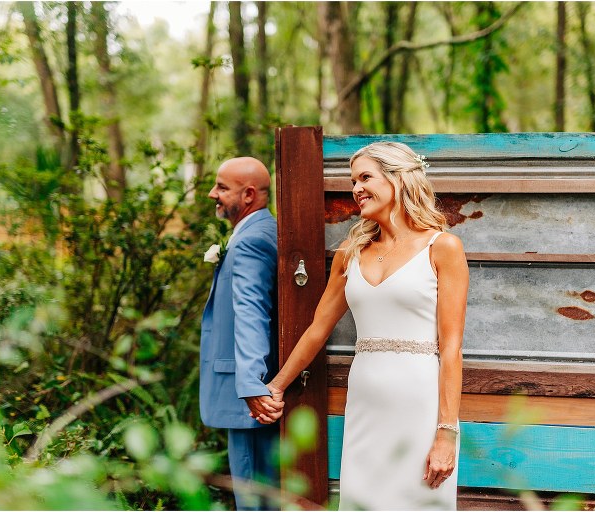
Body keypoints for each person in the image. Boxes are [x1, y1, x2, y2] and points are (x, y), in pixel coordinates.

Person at [258, 142, 469, 510]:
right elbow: (317, 329)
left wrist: (446, 434)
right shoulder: (350, 252)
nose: (356, 189)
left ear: (398, 179)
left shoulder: (443, 247)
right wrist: (276, 386)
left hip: (418, 403)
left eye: (365, 177)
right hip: (365, 405)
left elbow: (451, 347)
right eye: (353, 181)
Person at [199, 157, 285, 510]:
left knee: (254, 499)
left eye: (221, 187)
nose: (211, 194)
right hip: (249, 392)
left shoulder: (252, 241)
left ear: (249, 194)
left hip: (248, 396)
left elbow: (252, 312)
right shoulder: (259, 231)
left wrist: (251, 384)